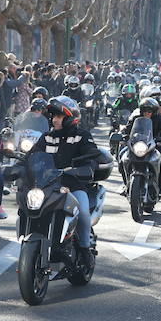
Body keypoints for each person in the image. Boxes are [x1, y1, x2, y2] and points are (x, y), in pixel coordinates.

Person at [27, 96, 111, 270]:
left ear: (70, 118)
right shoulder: (47, 137)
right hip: (48, 185)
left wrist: (86, 168)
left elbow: (92, 155)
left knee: (83, 213)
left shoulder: (82, 136)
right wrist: (20, 167)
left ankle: (85, 249)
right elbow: (33, 155)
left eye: (59, 117)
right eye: (53, 116)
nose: (54, 120)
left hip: (73, 185)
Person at [121, 98, 161, 198]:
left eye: (149, 111)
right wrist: (124, 136)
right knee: (122, 156)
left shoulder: (159, 119)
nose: (147, 113)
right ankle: (126, 184)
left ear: (154, 111)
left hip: (154, 145)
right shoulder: (136, 119)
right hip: (138, 146)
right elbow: (127, 129)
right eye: (145, 111)